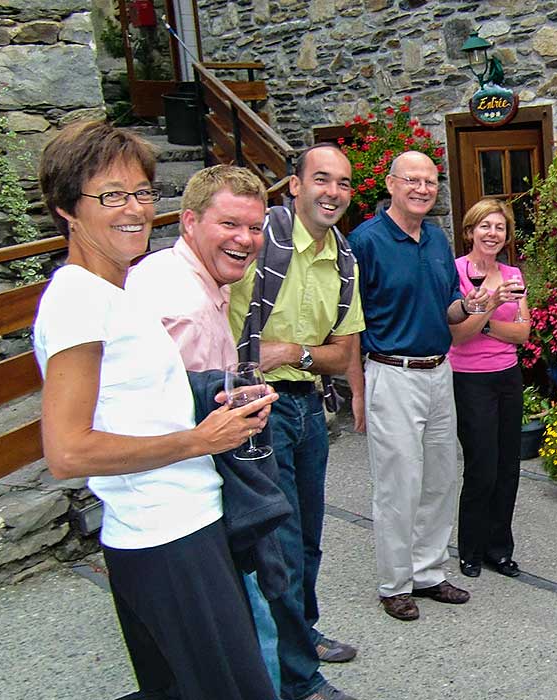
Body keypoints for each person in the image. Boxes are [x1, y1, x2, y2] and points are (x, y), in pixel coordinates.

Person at [34, 120, 277, 699]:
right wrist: (200, 440)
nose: (135, 209)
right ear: (67, 208)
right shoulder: (77, 300)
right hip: (166, 537)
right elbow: (67, 452)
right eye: (111, 195)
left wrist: (212, 399)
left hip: (177, 527)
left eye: (142, 192)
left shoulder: (113, 293)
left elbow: (132, 402)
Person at [126, 164, 282, 692]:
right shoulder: (186, 308)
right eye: (230, 224)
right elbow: (179, 417)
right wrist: (244, 415)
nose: (246, 239)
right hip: (187, 506)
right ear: (190, 221)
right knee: (250, 636)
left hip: (155, 510)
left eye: (255, 227)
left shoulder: (163, 270)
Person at [228, 143, 365, 700]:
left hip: (308, 406)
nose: (333, 192)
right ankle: (298, 680)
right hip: (258, 407)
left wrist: (292, 352)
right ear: (295, 185)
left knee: (308, 537)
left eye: (344, 183)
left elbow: (342, 354)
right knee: (279, 544)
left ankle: (302, 634)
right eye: (322, 179)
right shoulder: (255, 240)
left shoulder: (344, 260)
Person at [346, 150, 485, 621]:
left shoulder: (437, 238)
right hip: (393, 373)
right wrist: (356, 389)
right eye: (412, 180)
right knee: (398, 484)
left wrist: (471, 305)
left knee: (440, 479)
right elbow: (349, 321)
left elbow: (449, 308)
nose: (423, 188)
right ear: (390, 184)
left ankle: (428, 572)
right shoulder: (365, 241)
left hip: (438, 371)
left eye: (430, 181)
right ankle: (394, 584)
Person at [447, 198, 530, 579]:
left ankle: (500, 549)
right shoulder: (456, 273)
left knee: (508, 467)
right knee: (482, 467)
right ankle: (471, 549)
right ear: (470, 231)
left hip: (508, 377)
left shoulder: (513, 274)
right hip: (470, 379)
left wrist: (486, 323)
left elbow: (523, 333)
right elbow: (458, 336)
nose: (492, 233)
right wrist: (493, 305)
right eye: (485, 226)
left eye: (499, 227)